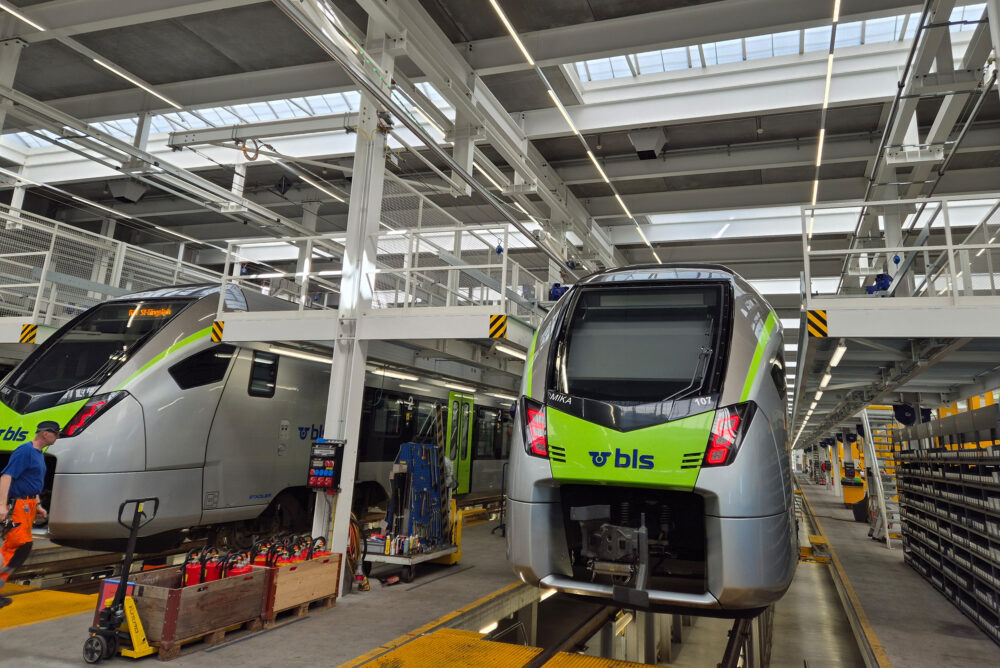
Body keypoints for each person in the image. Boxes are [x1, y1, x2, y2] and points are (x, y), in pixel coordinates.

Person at [0, 421, 58, 609]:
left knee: (20, 547)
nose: (57, 437)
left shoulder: (39, 454)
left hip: (29, 505)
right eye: (55, 434)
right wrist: (2, 505)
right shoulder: (24, 451)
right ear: (45, 434)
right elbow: (6, 477)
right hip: (19, 505)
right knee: (17, 546)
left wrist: (39, 505)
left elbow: (32, 481)